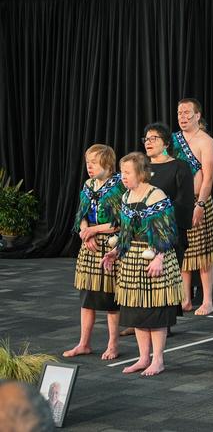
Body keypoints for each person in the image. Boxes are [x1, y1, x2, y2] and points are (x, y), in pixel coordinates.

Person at [101, 152, 184, 376]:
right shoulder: (126, 197)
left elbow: (167, 231)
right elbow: (126, 233)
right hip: (132, 259)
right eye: (122, 172)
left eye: (127, 172)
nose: (123, 177)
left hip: (155, 256)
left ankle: (158, 360)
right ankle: (143, 357)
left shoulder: (156, 195)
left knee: (154, 312)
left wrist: (159, 256)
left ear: (141, 173)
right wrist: (116, 251)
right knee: (137, 311)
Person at [64, 144, 124, 360]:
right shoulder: (89, 185)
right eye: (88, 162)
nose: (89, 167)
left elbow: (120, 222)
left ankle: (113, 344)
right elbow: (81, 213)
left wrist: (93, 230)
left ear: (107, 164)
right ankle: (84, 343)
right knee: (87, 297)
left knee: (109, 299)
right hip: (89, 244)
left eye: (94, 163)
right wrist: (84, 232)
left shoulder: (118, 186)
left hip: (109, 245)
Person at [142, 122, 195, 335]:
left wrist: (165, 222)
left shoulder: (179, 166)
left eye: (153, 138)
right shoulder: (142, 167)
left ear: (166, 142)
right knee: (141, 278)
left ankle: (164, 322)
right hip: (142, 232)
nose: (148, 142)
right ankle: (142, 320)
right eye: (146, 139)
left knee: (165, 277)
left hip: (170, 230)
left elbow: (184, 202)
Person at [172, 98, 213, 316]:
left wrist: (200, 203)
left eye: (187, 113)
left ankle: (207, 300)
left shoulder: (205, 141)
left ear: (197, 115)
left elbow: (208, 178)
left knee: (203, 252)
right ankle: (185, 298)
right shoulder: (173, 140)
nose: (182, 117)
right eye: (180, 113)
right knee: (184, 250)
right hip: (179, 203)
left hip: (199, 200)